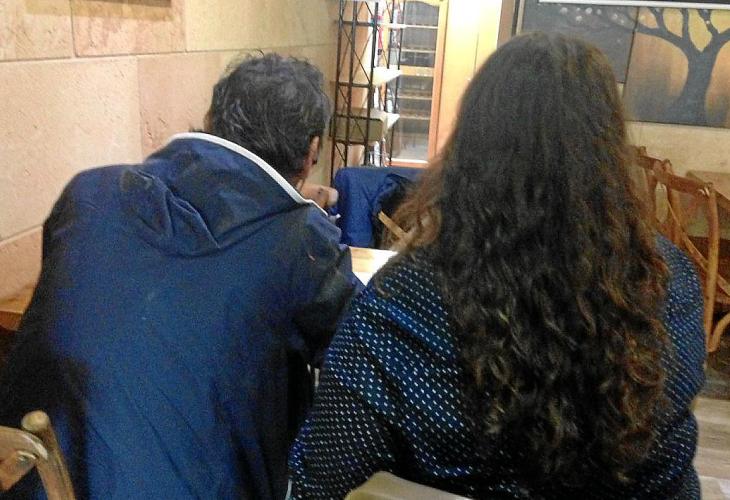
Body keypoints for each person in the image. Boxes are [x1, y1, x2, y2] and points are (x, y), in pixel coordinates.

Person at [289, 33, 706, 499]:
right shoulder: (666, 282)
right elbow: (671, 459)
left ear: (469, 149)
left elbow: (322, 475)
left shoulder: (405, 300)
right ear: (608, 148)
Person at [0, 54, 360, 499]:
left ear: (210, 120)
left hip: (29, 481)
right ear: (312, 152)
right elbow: (363, 357)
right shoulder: (303, 244)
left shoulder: (89, 192)